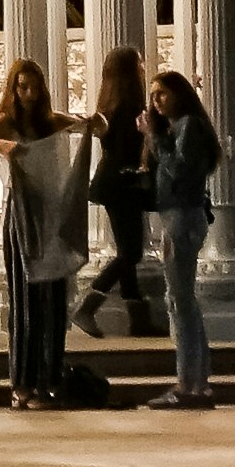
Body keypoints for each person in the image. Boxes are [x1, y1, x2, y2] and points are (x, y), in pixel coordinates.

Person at [0, 61, 80, 406]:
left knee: (53, 301)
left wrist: (93, 124)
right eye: (22, 88)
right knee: (26, 300)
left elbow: (83, 123)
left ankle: (49, 378)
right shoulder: (5, 121)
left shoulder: (48, 121)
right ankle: (22, 383)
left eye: (34, 87)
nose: (29, 95)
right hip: (21, 216)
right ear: (13, 89)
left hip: (50, 214)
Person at [140, 66, 228, 408]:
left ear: (179, 93)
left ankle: (190, 384)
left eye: (162, 93)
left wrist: (154, 137)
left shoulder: (188, 125)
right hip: (176, 214)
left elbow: (179, 169)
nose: (156, 101)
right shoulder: (181, 126)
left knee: (180, 301)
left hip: (182, 215)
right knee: (180, 300)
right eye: (153, 95)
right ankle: (194, 381)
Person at [79, 52, 161, 337]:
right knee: (131, 251)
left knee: (128, 249)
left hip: (113, 181)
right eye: (139, 62)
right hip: (123, 182)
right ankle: (87, 305)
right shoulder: (129, 105)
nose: (143, 65)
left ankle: (138, 319)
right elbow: (132, 149)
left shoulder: (110, 103)